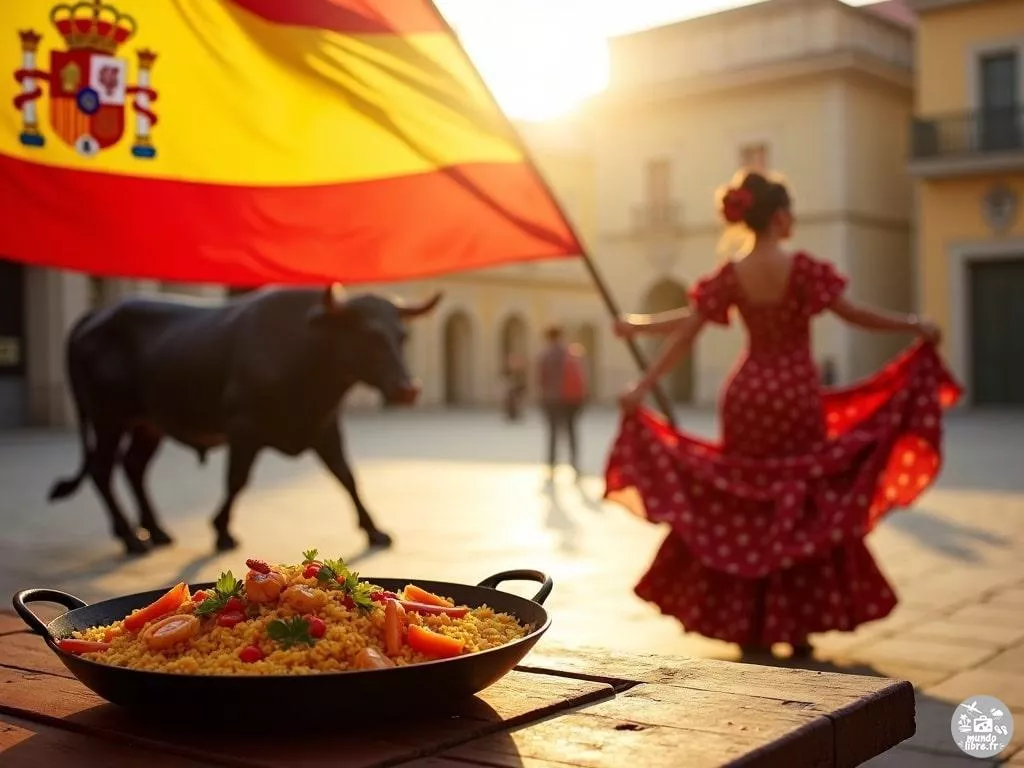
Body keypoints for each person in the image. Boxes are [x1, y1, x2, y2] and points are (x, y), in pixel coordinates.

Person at [606, 169, 962, 657]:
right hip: (794, 393)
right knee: (797, 503)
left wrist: (641, 372)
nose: (794, 219)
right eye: (791, 211)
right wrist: (914, 325)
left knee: (748, 503)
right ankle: (795, 627)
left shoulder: (733, 272)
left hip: (747, 394)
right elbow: (855, 314)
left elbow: (688, 329)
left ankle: (749, 624)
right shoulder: (803, 269)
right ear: (778, 217)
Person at [537, 326, 588, 481]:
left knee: (553, 433)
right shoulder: (571, 352)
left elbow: (541, 379)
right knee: (572, 431)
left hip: (552, 399)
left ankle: (552, 465)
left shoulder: (545, 355)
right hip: (571, 399)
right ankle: (574, 463)